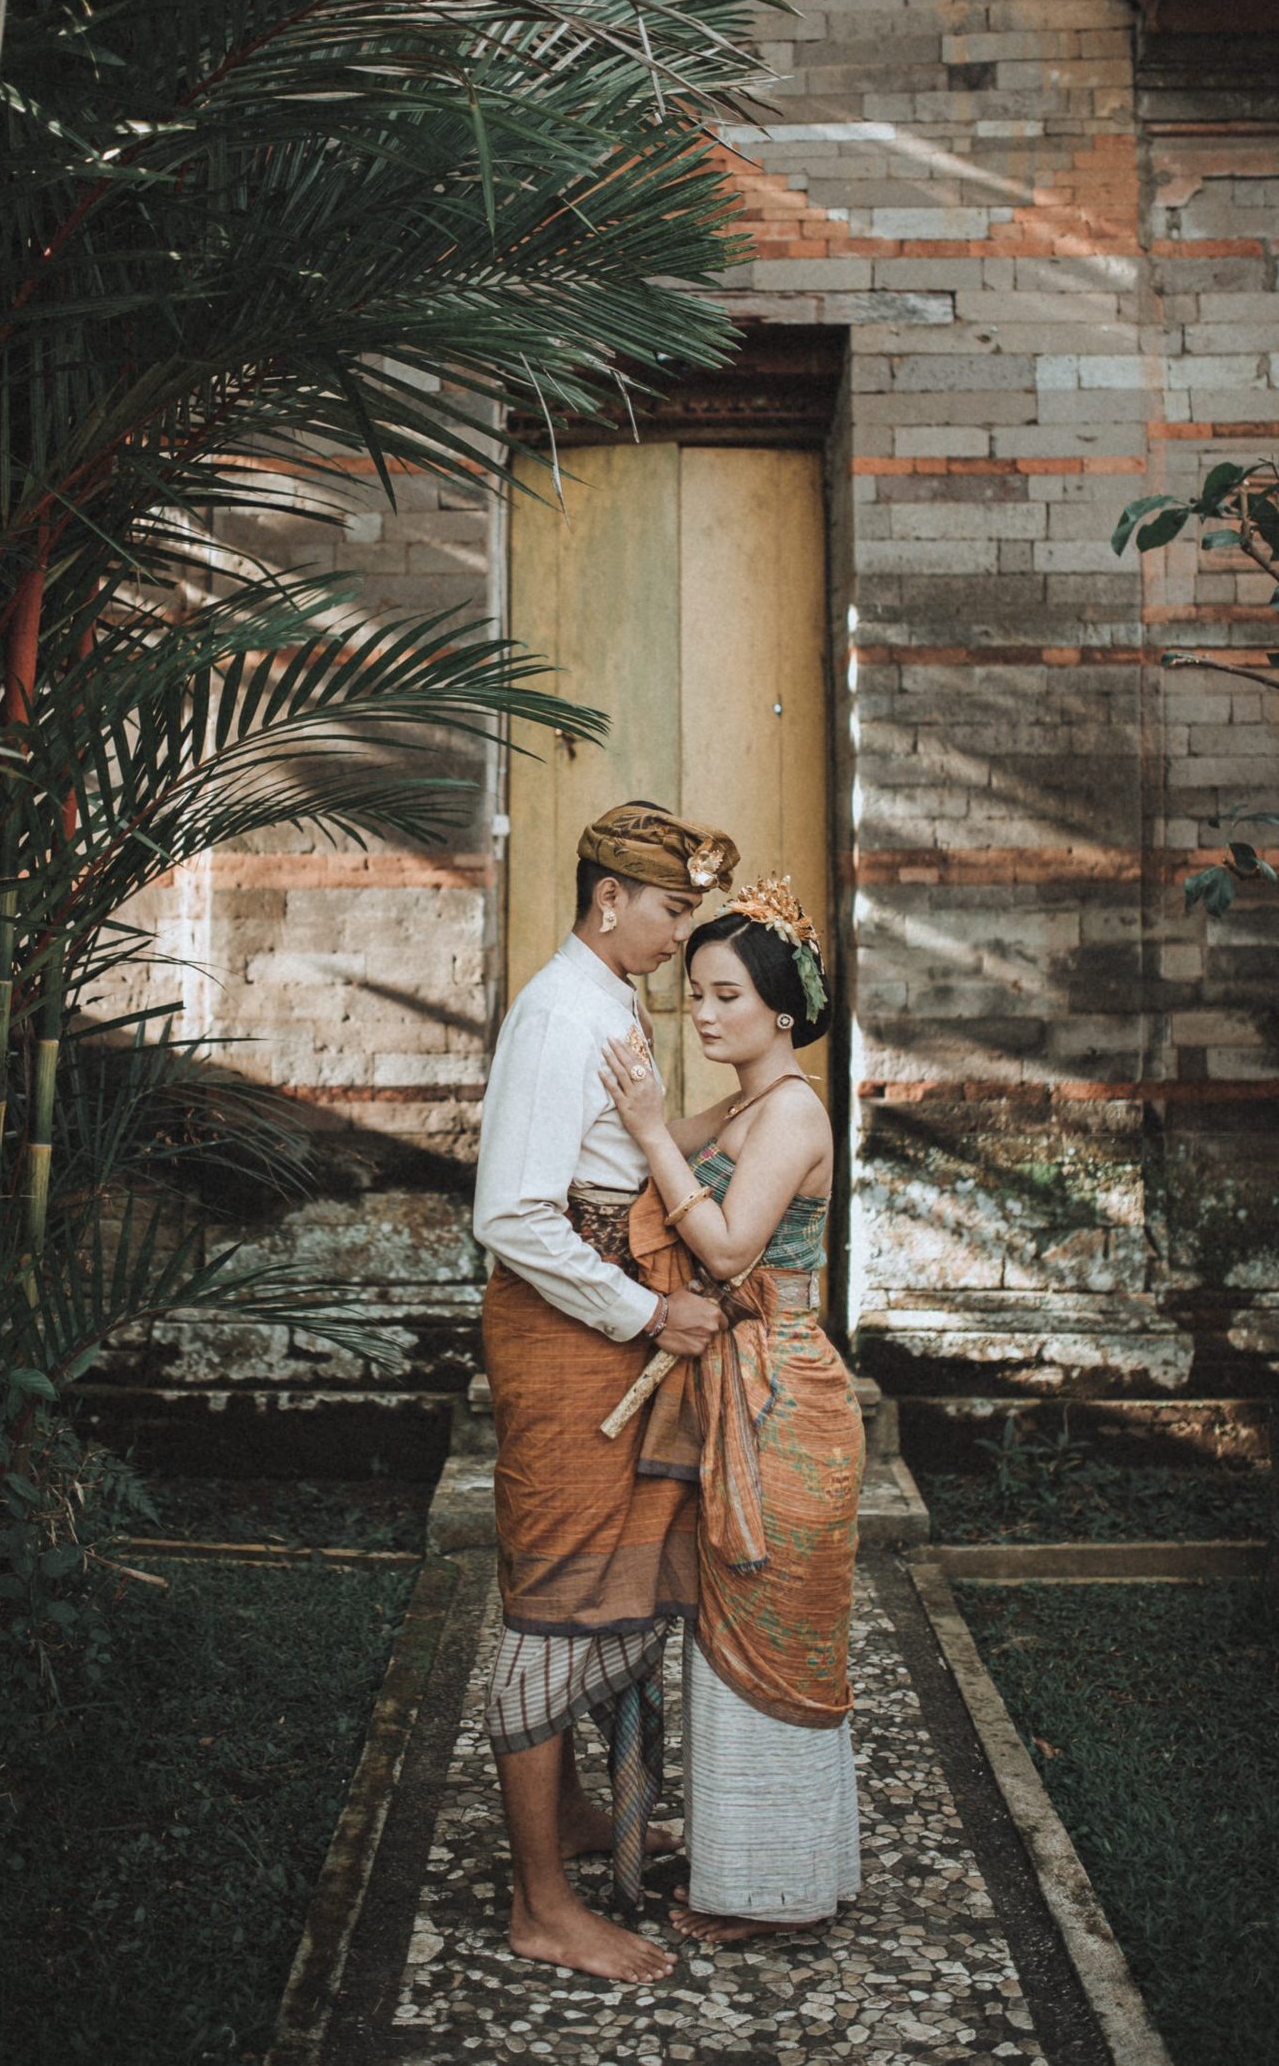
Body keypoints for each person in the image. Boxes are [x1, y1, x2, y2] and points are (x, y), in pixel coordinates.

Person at [474, 800, 739, 1984]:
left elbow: (617, 1160)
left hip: (608, 1334)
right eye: (672, 912)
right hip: (571, 1343)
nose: (682, 936)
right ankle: (541, 1907)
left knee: (609, 1588)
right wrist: (647, 1313)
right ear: (609, 899)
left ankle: (581, 1816)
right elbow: (514, 1214)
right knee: (555, 1599)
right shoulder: (557, 1016)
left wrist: (745, 1103)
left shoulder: (608, 1001)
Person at [600, 874, 864, 1944]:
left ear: (782, 1010)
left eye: (726, 997)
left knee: (775, 1632)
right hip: (737, 1384)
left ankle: (779, 1893)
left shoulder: (793, 1112)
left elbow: (724, 1245)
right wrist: (641, 1121)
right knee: (723, 1629)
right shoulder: (751, 1104)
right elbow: (652, 1151)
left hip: (785, 1396)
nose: (703, 1015)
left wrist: (651, 1128)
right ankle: (749, 1872)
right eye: (696, 994)